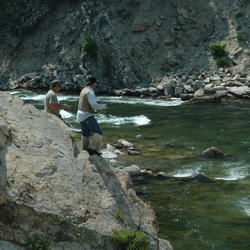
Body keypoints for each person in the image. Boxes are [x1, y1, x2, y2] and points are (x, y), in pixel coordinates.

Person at [76, 76, 107, 156]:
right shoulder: (90, 92)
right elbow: (93, 104)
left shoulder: (83, 90)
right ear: (93, 83)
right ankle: (93, 150)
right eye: (95, 83)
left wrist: (93, 110)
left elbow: (84, 103)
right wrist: (103, 106)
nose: (96, 84)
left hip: (80, 115)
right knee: (99, 132)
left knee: (86, 133)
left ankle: (84, 149)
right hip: (87, 115)